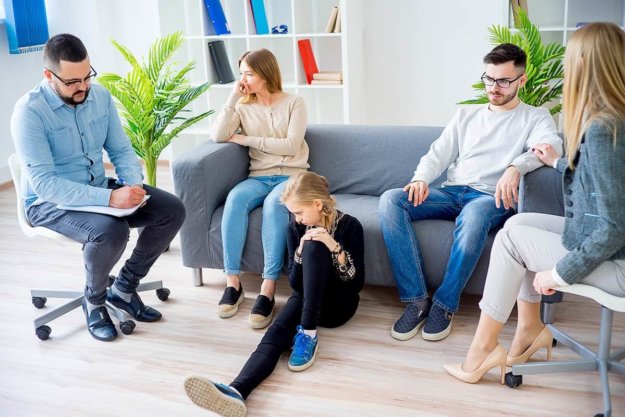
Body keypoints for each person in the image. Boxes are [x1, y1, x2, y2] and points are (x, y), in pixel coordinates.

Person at [444, 22, 625, 384]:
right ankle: (529, 331)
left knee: (510, 241)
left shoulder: (604, 126)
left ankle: (482, 349)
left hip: (618, 263)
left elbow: (613, 227)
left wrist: (558, 274)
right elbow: (605, 180)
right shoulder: (612, 117)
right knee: (516, 224)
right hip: (611, 247)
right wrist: (558, 163)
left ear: (586, 63)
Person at [379, 43, 563, 343]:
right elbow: (438, 153)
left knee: (475, 214)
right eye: (489, 79)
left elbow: (551, 149)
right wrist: (421, 178)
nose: (494, 87)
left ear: (522, 80)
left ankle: (444, 304)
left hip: (490, 198)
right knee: (391, 201)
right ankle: (416, 300)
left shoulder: (535, 116)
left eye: (504, 80)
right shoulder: (467, 115)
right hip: (451, 192)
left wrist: (516, 166)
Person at [10, 34, 186, 342]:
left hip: (97, 188)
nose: (82, 87)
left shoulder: (100, 97)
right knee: (110, 230)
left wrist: (132, 185)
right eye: (72, 81)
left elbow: (120, 150)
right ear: (49, 76)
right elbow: (46, 185)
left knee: (171, 210)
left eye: (87, 76)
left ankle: (124, 288)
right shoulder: (29, 113)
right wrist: (110, 197)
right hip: (49, 203)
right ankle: (93, 301)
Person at [183, 172, 365, 416]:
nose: (297, 220)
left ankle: (308, 334)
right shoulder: (295, 229)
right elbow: (295, 283)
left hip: (337, 306)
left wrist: (335, 248)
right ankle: (237, 390)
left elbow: (356, 285)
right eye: (293, 214)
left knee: (317, 245)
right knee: (275, 334)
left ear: (318, 204)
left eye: (299, 212)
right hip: (307, 299)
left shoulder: (350, 226)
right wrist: (300, 252)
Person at [210, 48, 309, 329]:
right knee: (235, 200)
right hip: (259, 176)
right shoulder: (242, 105)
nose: (244, 79)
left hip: (291, 176)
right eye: (241, 73)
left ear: (265, 74)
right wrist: (232, 96)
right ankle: (233, 283)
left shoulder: (294, 102)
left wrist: (246, 140)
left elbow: (291, 146)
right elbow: (218, 135)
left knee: (273, 205)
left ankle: (267, 288)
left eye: (249, 73)